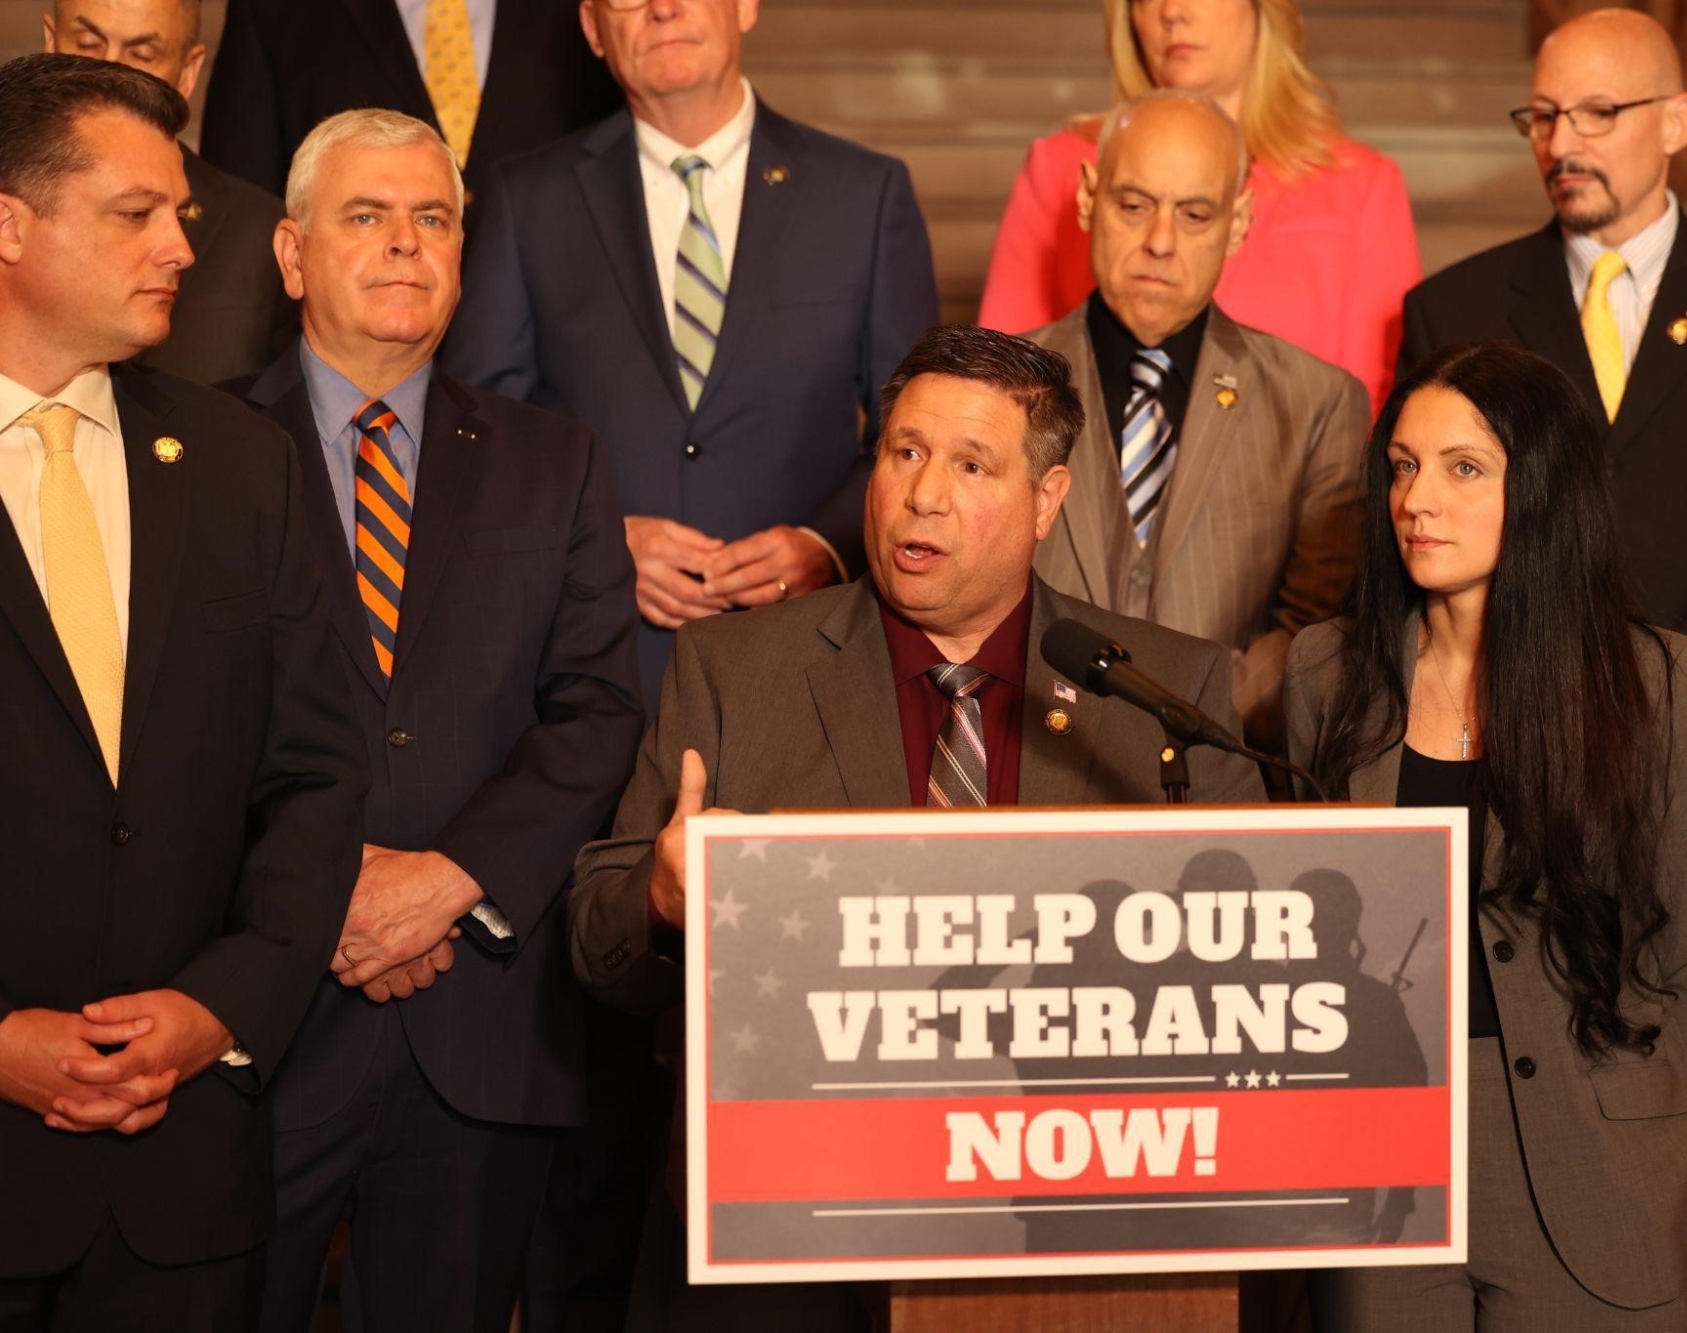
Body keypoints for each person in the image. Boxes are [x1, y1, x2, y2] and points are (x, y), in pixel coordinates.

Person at [570, 324, 1264, 1325]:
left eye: (971, 464)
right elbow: (596, 947)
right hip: (791, 1241)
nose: (922, 494)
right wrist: (660, 900)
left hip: (1070, 1247)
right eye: (904, 451)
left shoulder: (1164, 693)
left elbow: (1244, 985)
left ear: (1047, 499)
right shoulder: (732, 668)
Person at [1395, 11, 1687, 1314]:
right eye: (1541, 116)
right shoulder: (1455, 305)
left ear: (1678, 121)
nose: (1562, 142)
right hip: (1497, 831)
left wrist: (1639, 697)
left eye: (1596, 114)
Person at [226, 109, 644, 1333]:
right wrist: (329, 892)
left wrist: (447, 879)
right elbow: (165, 731)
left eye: (433, 218)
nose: (406, 242)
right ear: (292, 254)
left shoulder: (557, 460)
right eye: (366, 215)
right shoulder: (192, 447)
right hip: (258, 1021)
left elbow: (597, 710)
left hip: (481, 1016)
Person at [0, 54, 367, 1329]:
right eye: (134, 212)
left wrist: (218, 1011)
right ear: (9, 223)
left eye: (181, 214)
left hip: (183, 1189)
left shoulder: (240, 465)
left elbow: (317, 777)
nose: (179, 245)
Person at [1288, 340, 1687, 1329]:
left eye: (1463, 467)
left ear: (1543, 488)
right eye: (1403, 466)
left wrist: (1611, 1089)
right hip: (1379, 1160)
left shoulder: (1659, 684)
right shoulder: (1324, 675)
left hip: (1592, 1156)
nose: (1417, 500)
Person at [444, 0, 939, 714]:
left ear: (746, 7)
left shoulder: (865, 194)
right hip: (589, 675)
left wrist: (824, 545)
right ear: (592, 28)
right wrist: (594, 544)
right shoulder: (526, 199)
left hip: (810, 666)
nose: (664, 8)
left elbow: (916, 433)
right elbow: (477, 431)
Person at [1025, 88, 1365, 748]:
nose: (1160, 242)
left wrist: (1182, 719)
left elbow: (1315, 633)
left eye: (1195, 215)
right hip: (1033, 759)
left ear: (1238, 222)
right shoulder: (995, 391)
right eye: (1134, 206)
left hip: (1223, 769)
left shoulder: (1319, 403)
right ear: (1088, 197)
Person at [979, 0, 1419, 413]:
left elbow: (1375, 408)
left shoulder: (1360, 186)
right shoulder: (1059, 168)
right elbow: (998, 383)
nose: (1173, 11)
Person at [43, 0, 296, 383]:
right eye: (87, 44)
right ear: (51, 43)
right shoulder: (10, 198)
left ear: (188, 72)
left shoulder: (261, 236)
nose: (108, 73)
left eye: (142, 54)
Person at [199, 0, 621, 203]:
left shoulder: (588, 11)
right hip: (353, 339)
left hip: (554, 333)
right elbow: (238, 208)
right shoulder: (277, 13)